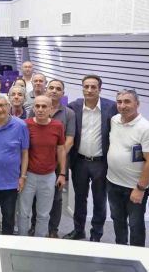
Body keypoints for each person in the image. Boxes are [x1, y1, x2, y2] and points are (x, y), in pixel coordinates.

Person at [64, 74, 117, 242]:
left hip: (101, 163)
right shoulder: (74, 107)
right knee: (79, 199)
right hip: (79, 161)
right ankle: (79, 230)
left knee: (100, 200)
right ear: (82, 88)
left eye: (93, 87)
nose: (89, 90)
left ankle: (96, 234)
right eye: (86, 86)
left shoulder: (111, 107)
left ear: (100, 89)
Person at [106, 89, 149, 246]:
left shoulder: (146, 128)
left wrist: (140, 188)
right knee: (117, 219)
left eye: (127, 102)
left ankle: (136, 254)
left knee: (135, 225)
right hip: (112, 182)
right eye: (119, 102)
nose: (123, 106)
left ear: (137, 104)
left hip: (134, 187)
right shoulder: (114, 120)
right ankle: (121, 250)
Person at [28, 79, 76, 238]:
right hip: (37, 162)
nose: (54, 91)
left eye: (58, 89)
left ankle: (53, 229)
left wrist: (54, 157)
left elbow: (69, 140)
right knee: (37, 197)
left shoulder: (69, 113)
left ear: (63, 93)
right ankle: (35, 226)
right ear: (46, 90)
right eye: (51, 88)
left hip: (57, 164)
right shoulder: (36, 108)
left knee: (56, 198)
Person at [18, 96, 66, 238]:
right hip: (28, 176)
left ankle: (39, 242)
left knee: (44, 214)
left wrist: (62, 174)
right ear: (33, 108)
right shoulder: (25, 125)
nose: (40, 109)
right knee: (23, 213)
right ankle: (21, 241)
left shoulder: (58, 126)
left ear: (51, 109)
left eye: (44, 107)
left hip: (48, 177)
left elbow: (61, 149)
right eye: (37, 106)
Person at [0, 93, 29, 235]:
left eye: (2, 105)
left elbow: (25, 153)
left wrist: (23, 177)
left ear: (9, 107)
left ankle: (6, 243)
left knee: (8, 218)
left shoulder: (20, 126)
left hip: (10, 182)